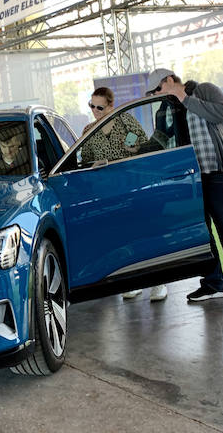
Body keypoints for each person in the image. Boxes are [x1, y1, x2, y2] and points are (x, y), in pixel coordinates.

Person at [147, 68, 223, 309]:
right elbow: (161, 138)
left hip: (216, 175)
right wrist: (136, 151)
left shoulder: (204, 90)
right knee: (203, 235)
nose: (157, 95)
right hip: (189, 181)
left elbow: (222, 113)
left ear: (170, 81)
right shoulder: (165, 109)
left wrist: (185, 99)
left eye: (158, 89)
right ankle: (213, 284)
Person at [81, 87, 167, 302]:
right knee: (122, 238)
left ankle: (158, 283)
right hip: (107, 193)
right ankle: (133, 282)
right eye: (91, 106)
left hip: (132, 187)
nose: (95, 111)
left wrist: (133, 150)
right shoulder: (88, 130)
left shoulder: (126, 121)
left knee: (144, 233)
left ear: (111, 105)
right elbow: (83, 162)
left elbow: (144, 148)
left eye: (99, 107)